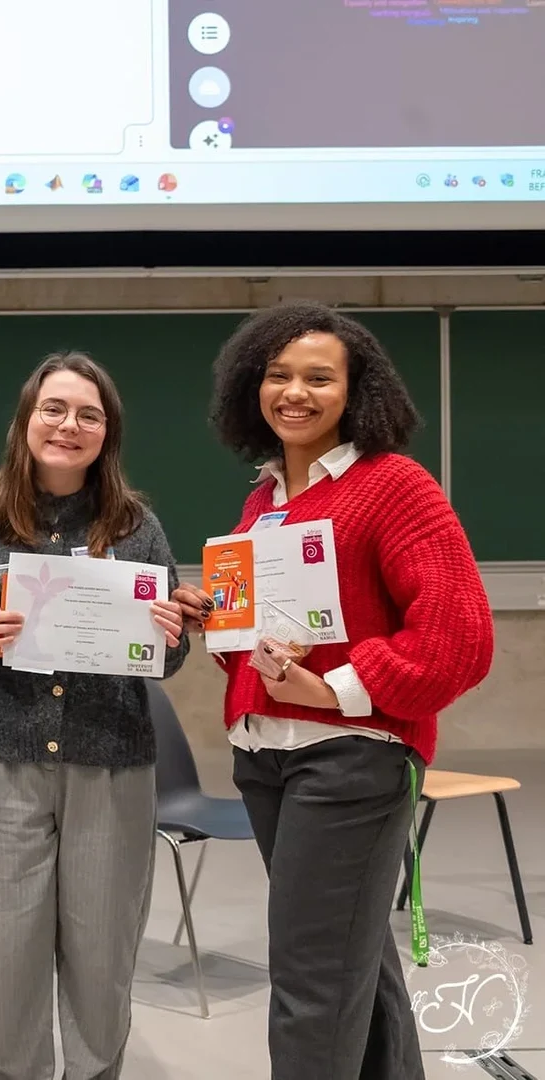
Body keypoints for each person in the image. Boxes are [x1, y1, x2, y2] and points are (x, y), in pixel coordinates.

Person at [172, 302, 495, 1080]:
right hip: (264, 756)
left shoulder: (394, 486)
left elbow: (459, 639)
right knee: (353, 960)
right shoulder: (264, 501)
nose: (295, 393)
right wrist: (221, 624)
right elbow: (272, 650)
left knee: (311, 980)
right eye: (278, 375)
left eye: (319, 378)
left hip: (350, 758)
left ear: (356, 392)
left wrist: (339, 690)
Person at [0, 352, 189, 1080]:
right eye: (54, 409)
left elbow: (167, 657)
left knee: (102, 959)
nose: (68, 426)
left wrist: (171, 634)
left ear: (108, 433)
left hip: (110, 766)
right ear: (26, 419)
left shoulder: (137, 528)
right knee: (3, 958)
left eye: (88, 415)